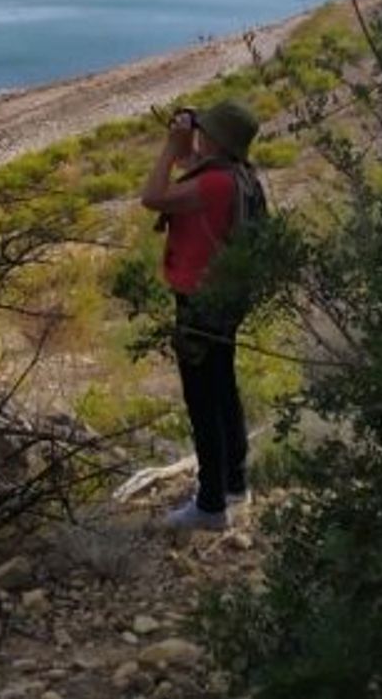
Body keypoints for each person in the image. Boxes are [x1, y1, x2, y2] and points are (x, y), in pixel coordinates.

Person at [139, 98, 260, 531]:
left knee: (202, 401)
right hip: (225, 299)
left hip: (200, 302)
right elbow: (200, 166)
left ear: (217, 140)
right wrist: (187, 142)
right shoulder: (239, 175)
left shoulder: (213, 186)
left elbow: (152, 197)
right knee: (223, 390)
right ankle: (234, 485)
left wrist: (171, 147)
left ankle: (209, 504)